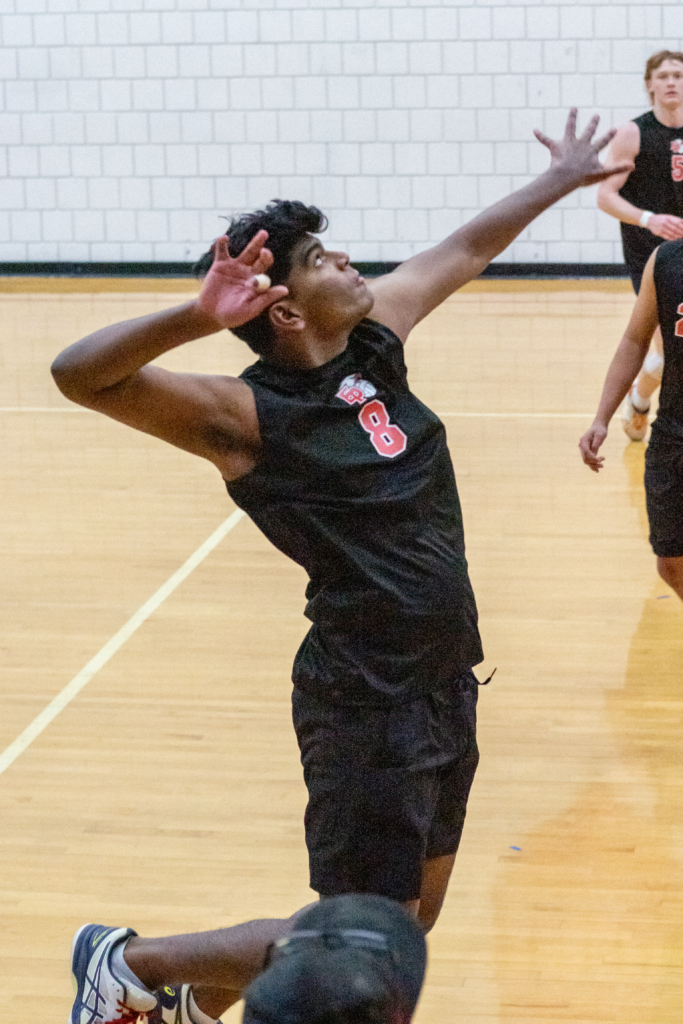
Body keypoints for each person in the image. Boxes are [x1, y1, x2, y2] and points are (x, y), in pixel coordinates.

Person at [52, 111, 629, 979]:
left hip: (442, 675)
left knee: (410, 922)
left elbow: (465, 248)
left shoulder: (372, 342)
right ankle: (131, 964)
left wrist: (560, 179)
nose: (348, 261)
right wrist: (194, 315)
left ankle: (183, 1004)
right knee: (368, 934)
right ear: (280, 306)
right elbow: (77, 373)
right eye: (322, 259)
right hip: (363, 694)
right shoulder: (243, 417)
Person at [68, 893, 427, 1024]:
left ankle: (186, 1006)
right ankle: (131, 964)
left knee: (408, 911)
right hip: (373, 732)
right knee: (367, 924)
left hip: (435, 722)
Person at [578, 239, 683, 601]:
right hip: (674, 432)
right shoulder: (667, 259)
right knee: (670, 562)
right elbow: (635, 339)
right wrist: (601, 418)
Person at [597, 49, 683, 441]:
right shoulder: (632, 133)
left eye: (678, 76)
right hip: (650, 256)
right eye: (663, 75)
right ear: (649, 84)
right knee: (667, 349)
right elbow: (605, 196)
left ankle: (643, 400)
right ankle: (641, 401)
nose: (671, 82)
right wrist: (649, 219)